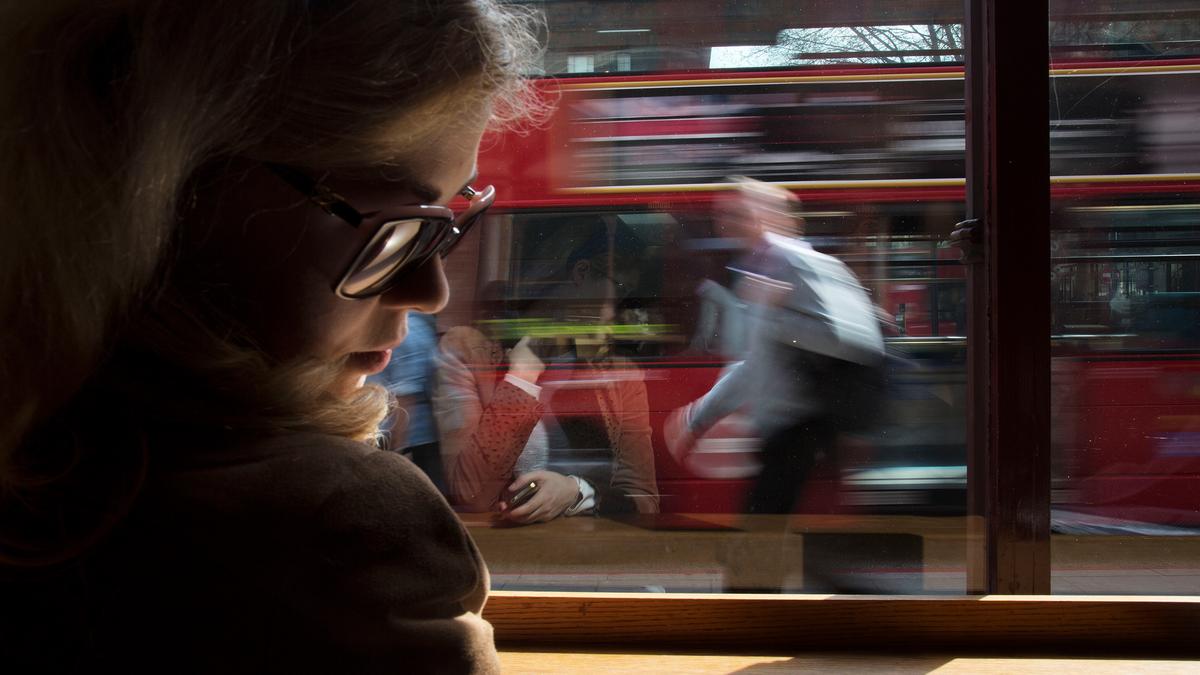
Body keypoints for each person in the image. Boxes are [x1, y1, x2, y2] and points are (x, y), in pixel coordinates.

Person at [0, 2, 540, 672]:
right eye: (395, 231)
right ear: (179, 192)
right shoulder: (336, 527)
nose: (431, 291)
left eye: (451, 222)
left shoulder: (42, 450)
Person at [665, 178, 886, 590]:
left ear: (771, 216)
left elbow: (854, 339)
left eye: (739, 213)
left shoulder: (800, 263)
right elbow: (754, 365)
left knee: (760, 547)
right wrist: (699, 417)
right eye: (724, 215)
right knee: (775, 544)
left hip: (801, 428)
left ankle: (757, 610)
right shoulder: (762, 269)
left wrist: (778, 316)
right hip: (781, 432)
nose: (727, 223)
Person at [434, 223, 660, 522]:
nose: (618, 312)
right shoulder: (468, 351)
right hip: (504, 544)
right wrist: (522, 378)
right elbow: (471, 493)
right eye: (618, 290)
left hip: (589, 544)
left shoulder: (621, 376)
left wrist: (577, 492)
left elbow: (644, 498)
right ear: (581, 273)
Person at [369, 311, 449, 495]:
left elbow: (405, 399)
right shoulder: (419, 328)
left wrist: (396, 449)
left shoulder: (407, 330)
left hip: (412, 442)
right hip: (417, 439)